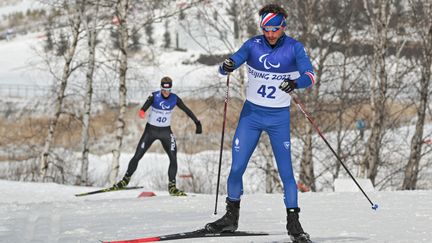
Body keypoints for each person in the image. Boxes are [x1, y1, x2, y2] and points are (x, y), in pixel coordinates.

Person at [204, 4, 314, 243]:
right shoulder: (253, 45)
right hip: (251, 116)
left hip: (278, 119)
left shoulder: (295, 48)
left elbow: (310, 76)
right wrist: (227, 66)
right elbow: (230, 64)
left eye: (275, 29)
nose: (271, 34)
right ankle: (230, 218)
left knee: (287, 173)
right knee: (236, 168)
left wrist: (295, 83)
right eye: (266, 29)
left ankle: (294, 223)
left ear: (283, 27)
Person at [113, 76, 202, 196]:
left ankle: (172, 186)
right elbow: (144, 107)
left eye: (168, 90)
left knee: (173, 157)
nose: (166, 93)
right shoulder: (154, 96)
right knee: (137, 155)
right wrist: (142, 112)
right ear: (161, 88)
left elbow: (187, 110)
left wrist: (197, 123)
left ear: (171, 89)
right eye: (164, 90)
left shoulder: (175, 99)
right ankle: (125, 180)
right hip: (150, 131)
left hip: (166, 132)